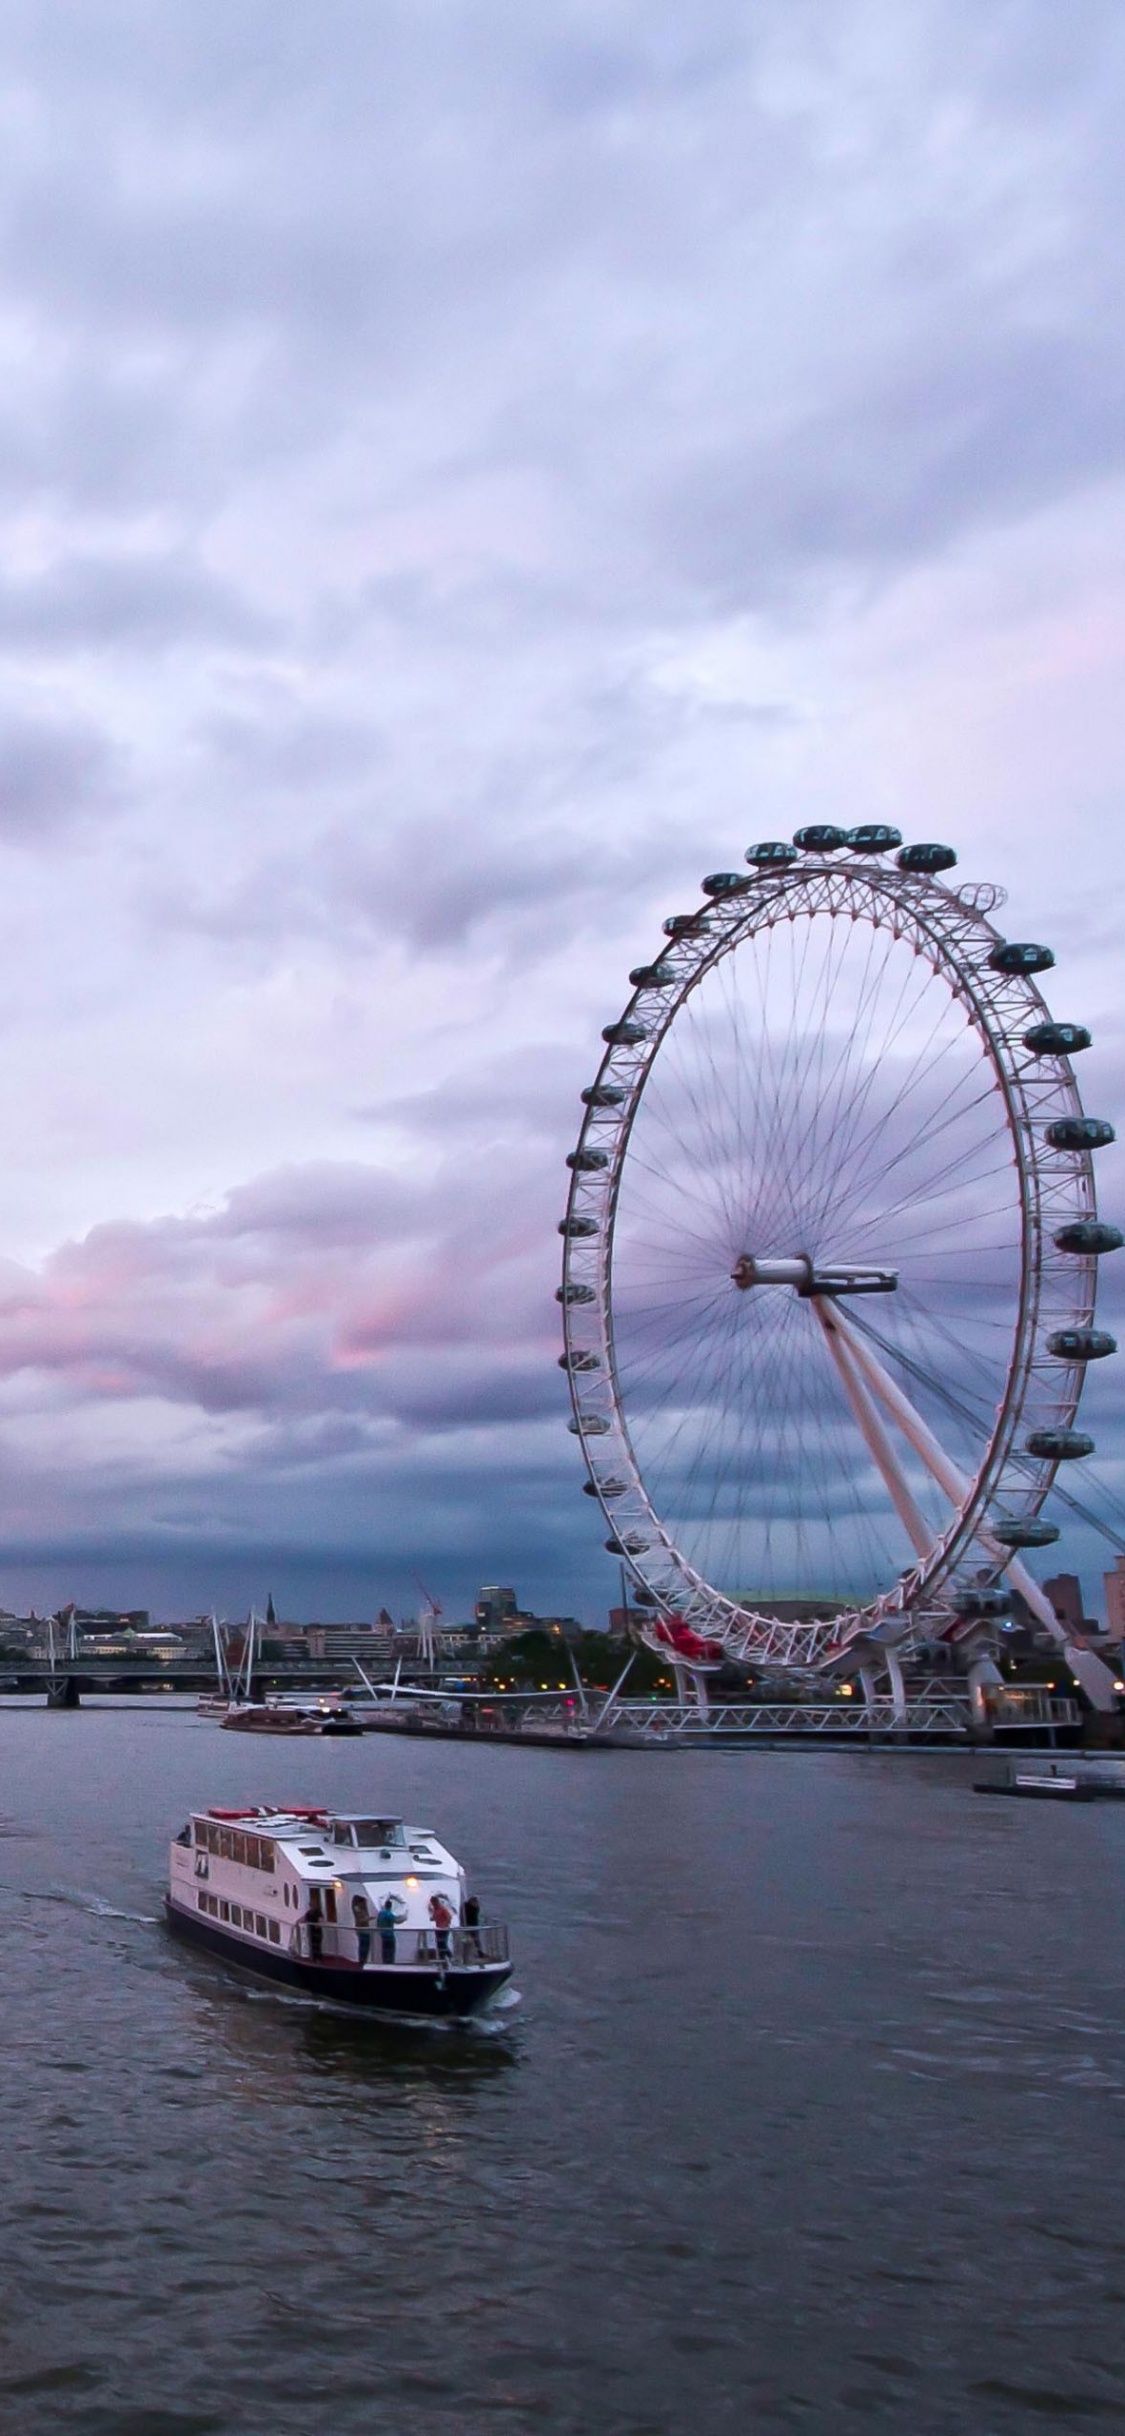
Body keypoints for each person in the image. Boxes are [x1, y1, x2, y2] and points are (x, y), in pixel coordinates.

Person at [462, 1890, 484, 1962]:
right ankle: (477, 1951)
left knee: (474, 1939)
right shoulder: (473, 1908)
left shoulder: (468, 1907)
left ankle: (477, 1951)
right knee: (474, 1939)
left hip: (471, 1925)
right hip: (471, 1925)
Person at [376, 1896, 398, 1966]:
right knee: (391, 1950)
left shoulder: (380, 1913)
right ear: (390, 1906)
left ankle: (384, 1962)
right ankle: (390, 1963)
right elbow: (395, 1920)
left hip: (382, 1934)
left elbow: (378, 1923)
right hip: (390, 1935)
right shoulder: (389, 1914)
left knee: (384, 1950)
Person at [303, 1889, 323, 1964]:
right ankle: (313, 1958)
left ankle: (319, 1959)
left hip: (317, 1931)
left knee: (317, 1945)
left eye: (313, 1904)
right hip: (311, 1931)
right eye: (311, 1904)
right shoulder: (309, 1913)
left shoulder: (318, 1912)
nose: (312, 1906)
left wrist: (318, 1925)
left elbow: (320, 1919)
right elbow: (304, 1918)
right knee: (312, 1945)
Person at [352, 1893, 371, 1968]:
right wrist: (368, 1919)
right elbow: (361, 1920)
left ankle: (363, 1961)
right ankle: (362, 1961)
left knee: (363, 1946)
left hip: (363, 1929)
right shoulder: (358, 1909)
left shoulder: (358, 1908)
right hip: (363, 1929)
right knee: (364, 1946)